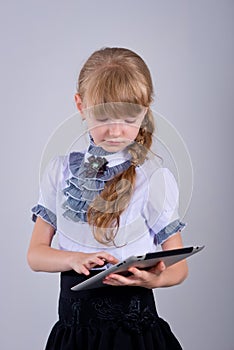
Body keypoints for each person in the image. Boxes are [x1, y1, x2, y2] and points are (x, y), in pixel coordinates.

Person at [27, 47, 188, 350]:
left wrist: (151, 280)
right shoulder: (60, 172)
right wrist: (74, 259)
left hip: (135, 337)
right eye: (103, 117)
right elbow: (35, 255)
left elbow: (179, 266)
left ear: (145, 110)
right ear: (80, 105)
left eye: (129, 118)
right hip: (74, 336)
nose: (115, 131)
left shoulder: (154, 177)